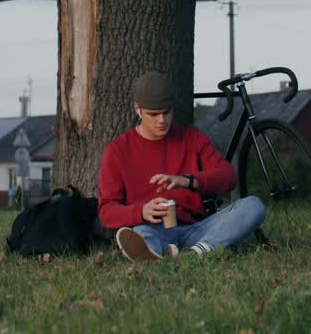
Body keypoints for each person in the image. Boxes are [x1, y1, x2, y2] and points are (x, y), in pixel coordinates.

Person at [98, 70, 266, 262]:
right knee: (142, 234)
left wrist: (188, 181)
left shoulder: (191, 138)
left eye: (166, 112)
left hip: (196, 228)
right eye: (153, 114)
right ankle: (155, 255)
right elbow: (106, 211)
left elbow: (228, 176)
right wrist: (142, 211)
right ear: (138, 109)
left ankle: (195, 253)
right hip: (151, 227)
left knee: (253, 206)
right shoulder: (117, 150)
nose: (161, 120)